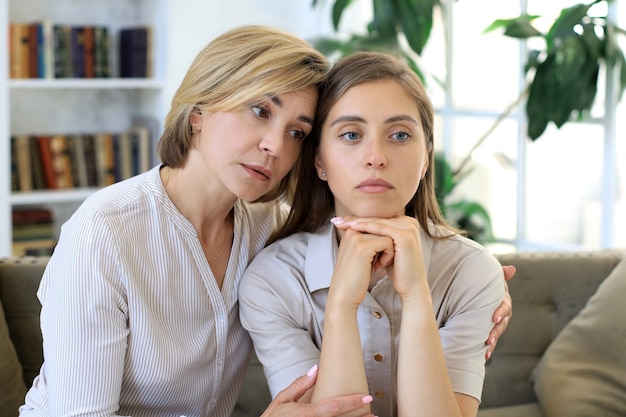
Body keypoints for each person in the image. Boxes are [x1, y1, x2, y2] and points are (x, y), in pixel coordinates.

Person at [18, 25, 377, 417]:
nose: (276, 146)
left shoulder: (270, 228)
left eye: (296, 132)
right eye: (260, 111)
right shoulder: (105, 231)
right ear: (199, 112)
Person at [238, 51, 508, 417]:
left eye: (399, 135)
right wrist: (341, 305)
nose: (376, 156)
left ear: (426, 157)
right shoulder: (272, 279)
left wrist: (416, 298)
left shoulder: (471, 271)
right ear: (319, 160)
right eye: (351, 135)